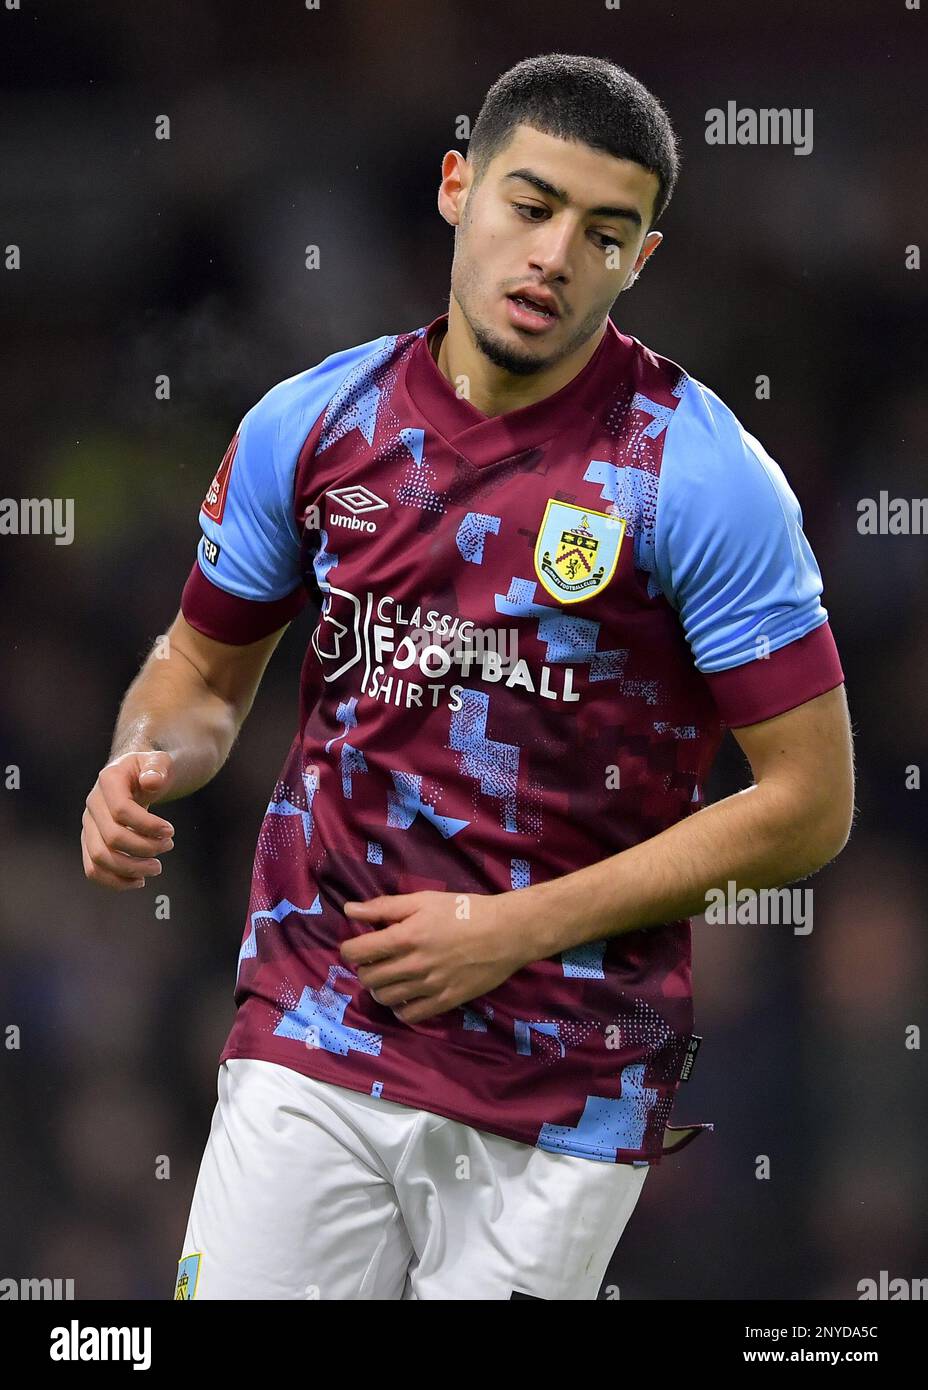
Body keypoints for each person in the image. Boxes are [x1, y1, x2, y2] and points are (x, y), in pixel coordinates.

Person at [82, 53, 855, 1300]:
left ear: (640, 259)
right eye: (530, 205)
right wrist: (146, 756)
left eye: (604, 232)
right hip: (313, 1026)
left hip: (564, 1087)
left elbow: (809, 804)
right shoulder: (313, 423)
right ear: (458, 188)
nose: (554, 255)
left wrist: (509, 929)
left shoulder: (701, 477)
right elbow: (201, 674)